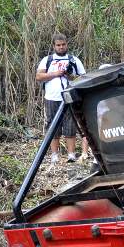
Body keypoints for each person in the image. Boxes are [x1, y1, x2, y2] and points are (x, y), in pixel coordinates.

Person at [36, 33, 88, 164]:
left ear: (67, 45)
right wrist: (55, 73)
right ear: (54, 46)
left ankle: (71, 154)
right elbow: (39, 76)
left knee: (70, 126)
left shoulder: (74, 60)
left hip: (70, 97)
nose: (61, 47)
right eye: (58, 45)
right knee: (53, 126)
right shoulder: (47, 60)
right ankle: (55, 154)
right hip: (52, 97)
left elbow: (83, 78)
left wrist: (69, 75)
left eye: (63, 44)